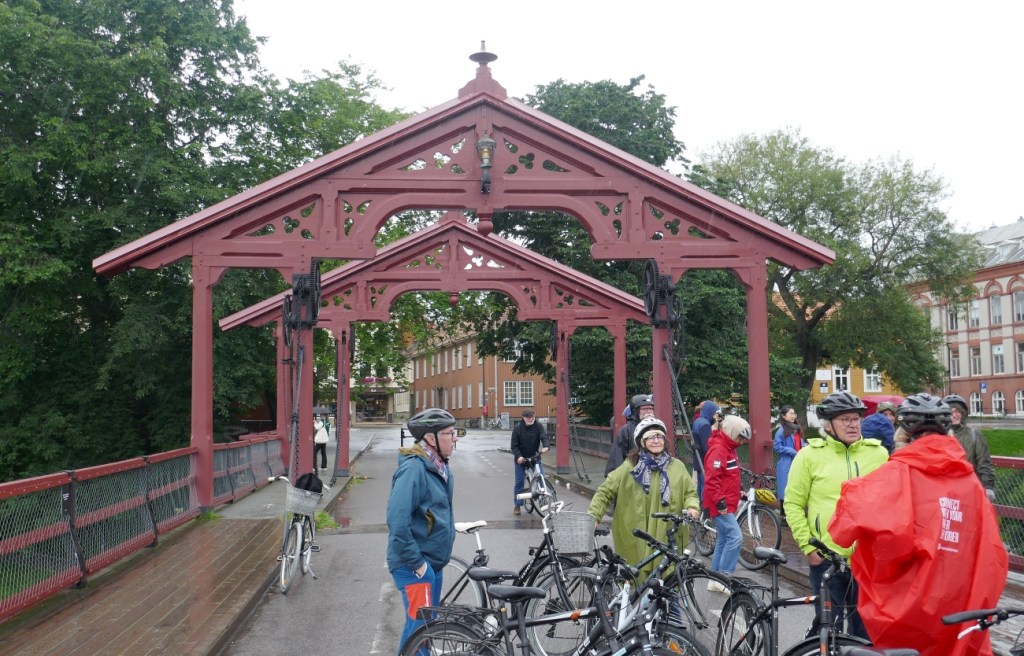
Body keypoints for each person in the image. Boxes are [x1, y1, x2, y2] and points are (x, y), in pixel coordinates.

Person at [830, 393, 1008, 656]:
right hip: (960, 601)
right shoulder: (970, 482)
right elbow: (992, 551)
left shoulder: (894, 475)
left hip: (907, 602)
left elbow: (841, 529)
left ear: (902, 435)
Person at [782, 391, 888, 639]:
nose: (852, 425)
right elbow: (793, 504)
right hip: (827, 557)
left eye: (856, 419)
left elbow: (890, 505)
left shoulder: (878, 454)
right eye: (845, 419)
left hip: (867, 561)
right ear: (828, 425)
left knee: (866, 636)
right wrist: (809, 548)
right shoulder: (809, 456)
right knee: (829, 634)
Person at [386, 408, 461, 654]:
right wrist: (418, 564)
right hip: (414, 566)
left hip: (432, 564)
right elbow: (397, 521)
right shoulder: (414, 469)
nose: (455, 438)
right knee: (421, 632)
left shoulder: (438, 466)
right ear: (431, 438)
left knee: (423, 629)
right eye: (449, 433)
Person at [588, 417, 700, 578]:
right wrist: (594, 516)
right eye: (650, 437)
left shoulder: (677, 466)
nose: (656, 441)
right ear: (642, 442)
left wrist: (692, 507)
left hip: (667, 531)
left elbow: (690, 492)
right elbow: (604, 491)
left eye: (659, 436)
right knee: (636, 577)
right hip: (636, 533)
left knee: (669, 578)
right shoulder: (630, 467)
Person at [702, 412, 751, 591]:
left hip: (724, 500)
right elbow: (711, 479)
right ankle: (724, 577)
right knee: (735, 537)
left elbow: (727, 476)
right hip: (719, 503)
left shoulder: (728, 447)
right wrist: (720, 502)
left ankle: (715, 579)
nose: (742, 441)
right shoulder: (719, 449)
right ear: (731, 432)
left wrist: (738, 492)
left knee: (723, 539)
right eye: (740, 437)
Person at [942, 393, 997, 500]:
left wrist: (988, 487)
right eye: (951, 412)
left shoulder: (974, 436)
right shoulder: (939, 436)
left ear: (963, 413)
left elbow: (984, 463)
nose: (954, 415)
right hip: (946, 491)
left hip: (969, 490)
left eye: (957, 411)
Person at [511, 409, 550, 515]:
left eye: (532, 417)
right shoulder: (517, 429)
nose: (531, 419)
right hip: (521, 459)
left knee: (541, 478)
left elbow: (544, 437)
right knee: (519, 481)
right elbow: (514, 446)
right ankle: (517, 505)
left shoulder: (538, 426)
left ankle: (543, 501)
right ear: (523, 418)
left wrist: (546, 446)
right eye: (528, 418)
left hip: (534, 458)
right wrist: (519, 456)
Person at [605, 393, 655, 475]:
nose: (649, 412)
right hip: (634, 472)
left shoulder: (657, 427)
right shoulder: (626, 430)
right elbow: (618, 455)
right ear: (635, 411)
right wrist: (617, 476)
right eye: (645, 409)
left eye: (651, 409)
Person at [771, 405, 802, 526]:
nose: (793, 416)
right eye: (791, 413)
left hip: (798, 462)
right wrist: (792, 451)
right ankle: (784, 516)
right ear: (784, 416)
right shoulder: (781, 431)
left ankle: (794, 514)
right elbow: (777, 447)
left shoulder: (796, 429)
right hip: (786, 463)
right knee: (785, 490)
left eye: (794, 413)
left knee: (796, 488)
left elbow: (800, 443)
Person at [691, 399, 720, 497]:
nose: (715, 416)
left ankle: (699, 504)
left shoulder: (697, 421)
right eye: (714, 413)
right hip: (705, 461)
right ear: (710, 411)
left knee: (700, 485)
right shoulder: (705, 424)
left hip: (698, 459)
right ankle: (704, 505)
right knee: (705, 486)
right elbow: (707, 446)